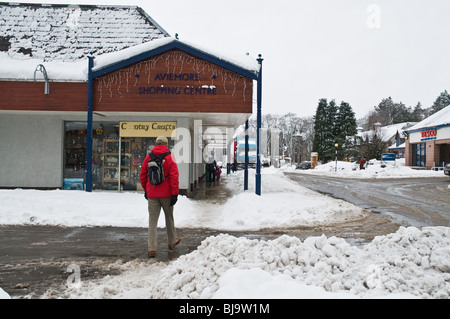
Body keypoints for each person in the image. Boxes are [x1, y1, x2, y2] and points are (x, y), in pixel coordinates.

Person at [140, 136, 180, 258]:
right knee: (169, 218)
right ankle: (172, 241)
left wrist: (147, 190)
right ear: (166, 145)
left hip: (152, 194)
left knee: (152, 221)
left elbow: (143, 175)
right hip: (167, 194)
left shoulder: (149, 157)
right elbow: (174, 177)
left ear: (156, 144)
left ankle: (152, 248)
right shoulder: (169, 157)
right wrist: (175, 193)